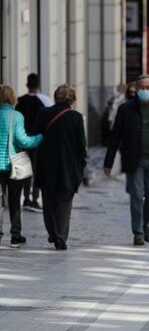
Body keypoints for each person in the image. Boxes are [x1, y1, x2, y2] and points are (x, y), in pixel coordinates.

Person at [104, 74, 149, 246]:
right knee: (136, 196)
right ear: (136, 88)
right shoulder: (125, 109)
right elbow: (115, 136)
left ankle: (145, 222)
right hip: (134, 159)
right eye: (142, 87)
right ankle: (138, 232)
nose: (145, 90)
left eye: (148, 87)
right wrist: (108, 162)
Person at [34, 84, 87, 251]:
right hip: (68, 168)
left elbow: (36, 137)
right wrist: (81, 165)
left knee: (48, 202)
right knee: (64, 203)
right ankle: (60, 237)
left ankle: (53, 232)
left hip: (46, 165)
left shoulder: (43, 113)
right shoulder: (76, 117)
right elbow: (81, 146)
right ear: (72, 99)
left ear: (55, 97)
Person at [0, 84, 43, 248]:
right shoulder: (16, 116)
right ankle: (15, 236)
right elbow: (23, 141)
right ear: (12, 98)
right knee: (14, 200)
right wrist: (40, 137)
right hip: (13, 166)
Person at [15, 73, 53, 213]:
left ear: (27, 84)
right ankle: (35, 199)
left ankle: (25, 198)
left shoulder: (19, 101)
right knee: (37, 171)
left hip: (22, 140)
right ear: (38, 84)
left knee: (24, 171)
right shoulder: (44, 101)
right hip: (38, 141)